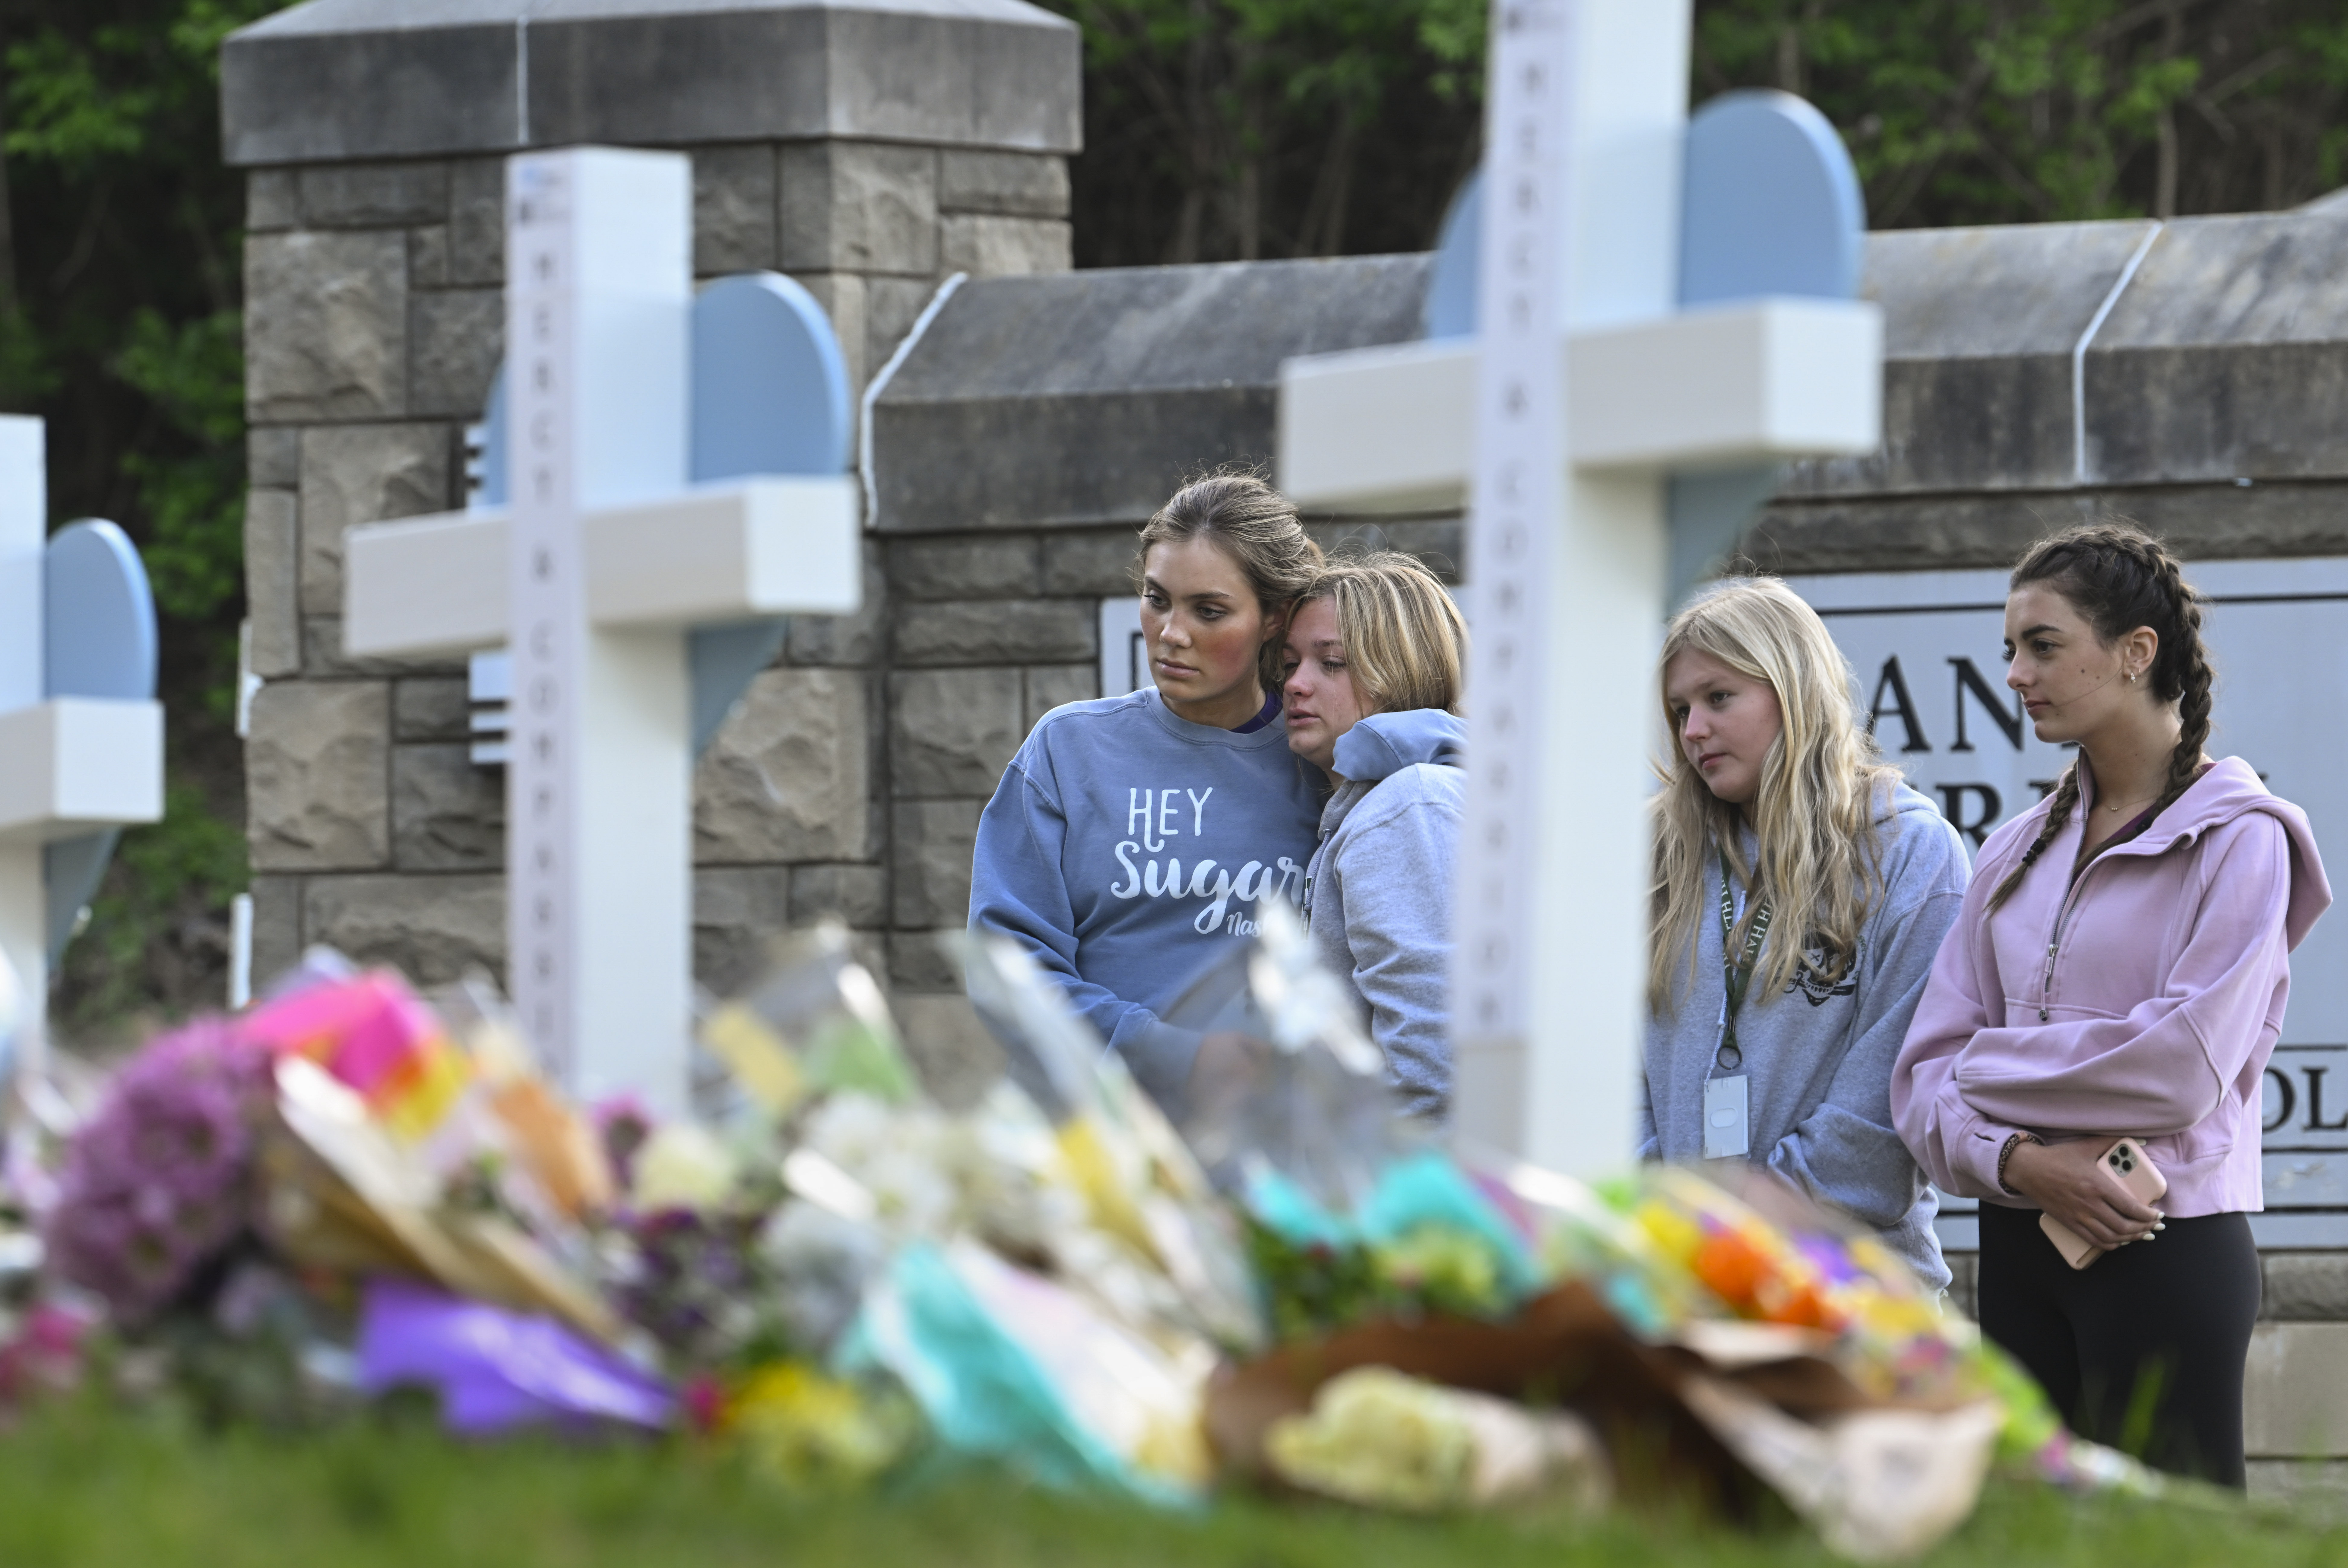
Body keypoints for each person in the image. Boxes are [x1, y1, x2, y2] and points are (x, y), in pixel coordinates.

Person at [1892, 523, 2331, 1486]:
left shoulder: (2240, 840)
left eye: (2042, 645)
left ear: (2136, 654)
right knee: (2039, 1546)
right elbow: (1920, 1085)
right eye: (2010, 648)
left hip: (2162, 1245)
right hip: (2017, 1246)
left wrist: (1987, 1071)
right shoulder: (2010, 852)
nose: (2015, 672)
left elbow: (2177, 1069)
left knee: (2173, 1549)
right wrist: (2020, 1161)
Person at [1641, 578, 1968, 1292]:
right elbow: (1613, 1072)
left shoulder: (1908, 852)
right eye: (1678, 709)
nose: (1692, 728)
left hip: (1854, 1297)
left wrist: (1734, 1235)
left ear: (1792, 692)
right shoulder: (1656, 852)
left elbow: (1884, 1109)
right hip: (1672, 1290)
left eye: (1717, 697)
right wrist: (1659, 1222)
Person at [967, 473, 1326, 1108]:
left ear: (1273, 617)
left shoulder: (1320, 760)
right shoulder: (1068, 749)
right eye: (1157, 599)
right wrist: (1175, 1056)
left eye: (1207, 611)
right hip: (1095, 1140)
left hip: (1269, 1147)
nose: (1170, 632)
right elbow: (1008, 971)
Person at [1277, 553, 1468, 1119]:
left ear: (1404, 668)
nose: (1295, 685)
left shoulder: (1405, 804)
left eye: (1331, 663)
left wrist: (1388, 1203)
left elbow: (1433, 1066)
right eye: (1288, 664)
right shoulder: (1389, 799)